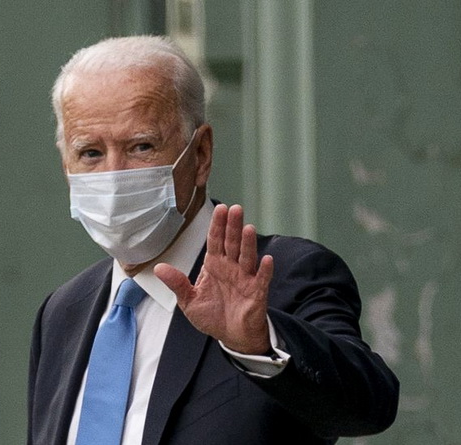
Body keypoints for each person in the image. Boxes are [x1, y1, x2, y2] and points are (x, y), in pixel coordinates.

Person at [28, 35, 399, 445]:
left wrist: (258, 344)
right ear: (66, 166)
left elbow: (369, 407)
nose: (115, 175)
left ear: (200, 153)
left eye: (141, 146)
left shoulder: (279, 277)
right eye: (91, 153)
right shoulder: (62, 313)